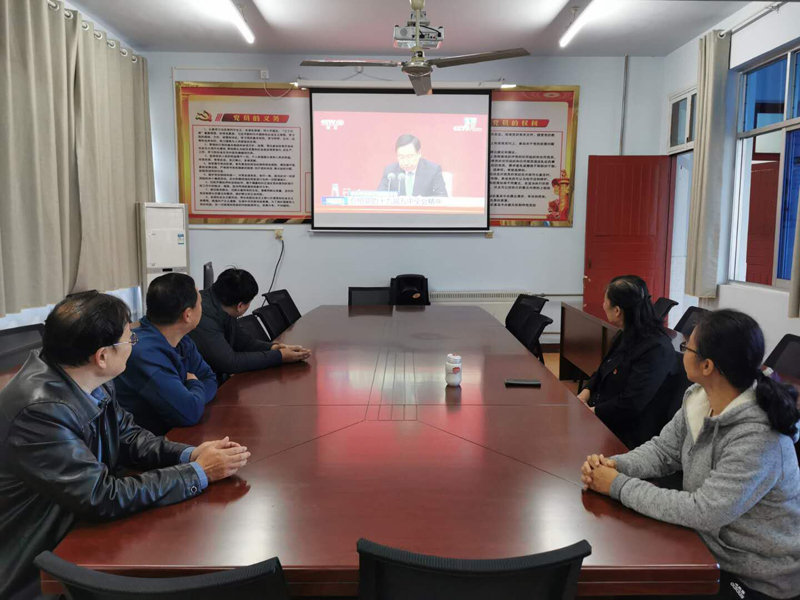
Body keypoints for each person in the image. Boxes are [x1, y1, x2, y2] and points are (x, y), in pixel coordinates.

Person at [0, 291, 250, 600]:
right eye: (129, 339)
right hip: (42, 565)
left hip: (76, 528)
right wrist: (198, 472)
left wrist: (191, 453)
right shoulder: (41, 411)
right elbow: (101, 495)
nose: (133, 344)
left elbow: (129, 437)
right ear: (102, 356)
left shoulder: (90, 377)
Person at [581, 309, 800, 600]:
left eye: (688, 348)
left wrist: (617, 485)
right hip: (703, 546)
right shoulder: (700, 398)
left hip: (754, 579)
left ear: (707, 366)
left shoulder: (758, 437)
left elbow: (703, 511)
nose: (682, 352)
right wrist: (614, 465)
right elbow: (663, 450)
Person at [577, 275, 676, 449]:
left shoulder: (656, 348)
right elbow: (603, 370)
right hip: (606, 418)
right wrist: (585, 393)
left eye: (605, 300)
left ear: (617, 310)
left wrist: (592, 412)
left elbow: (632, 403)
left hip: (630, 435)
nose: (603, 305)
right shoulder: (626, 334)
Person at [115, 273, 218, 436]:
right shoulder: (144, 353)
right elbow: (189, 413)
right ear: (188, 315)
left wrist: (192, 398)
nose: (202, 307)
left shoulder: (181, 339)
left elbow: (210, 379)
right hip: (147, 443)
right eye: (200, 303)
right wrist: (193, 385)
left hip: (171, 434)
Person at [189, 268, 311, 384]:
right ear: (240, 306)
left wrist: (273, 348)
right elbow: (230, 363)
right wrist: (280, 357)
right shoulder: (202, 316)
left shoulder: (223, 303)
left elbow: (243, 342)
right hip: (202, 386)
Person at [377, 134, 448, 197]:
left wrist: (423, 202)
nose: (405, 162)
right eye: (401, 157)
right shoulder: (390, 172)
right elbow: (380, 196)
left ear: (419, 153)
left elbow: (442, 197)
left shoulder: (433, 170)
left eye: (409, 156)